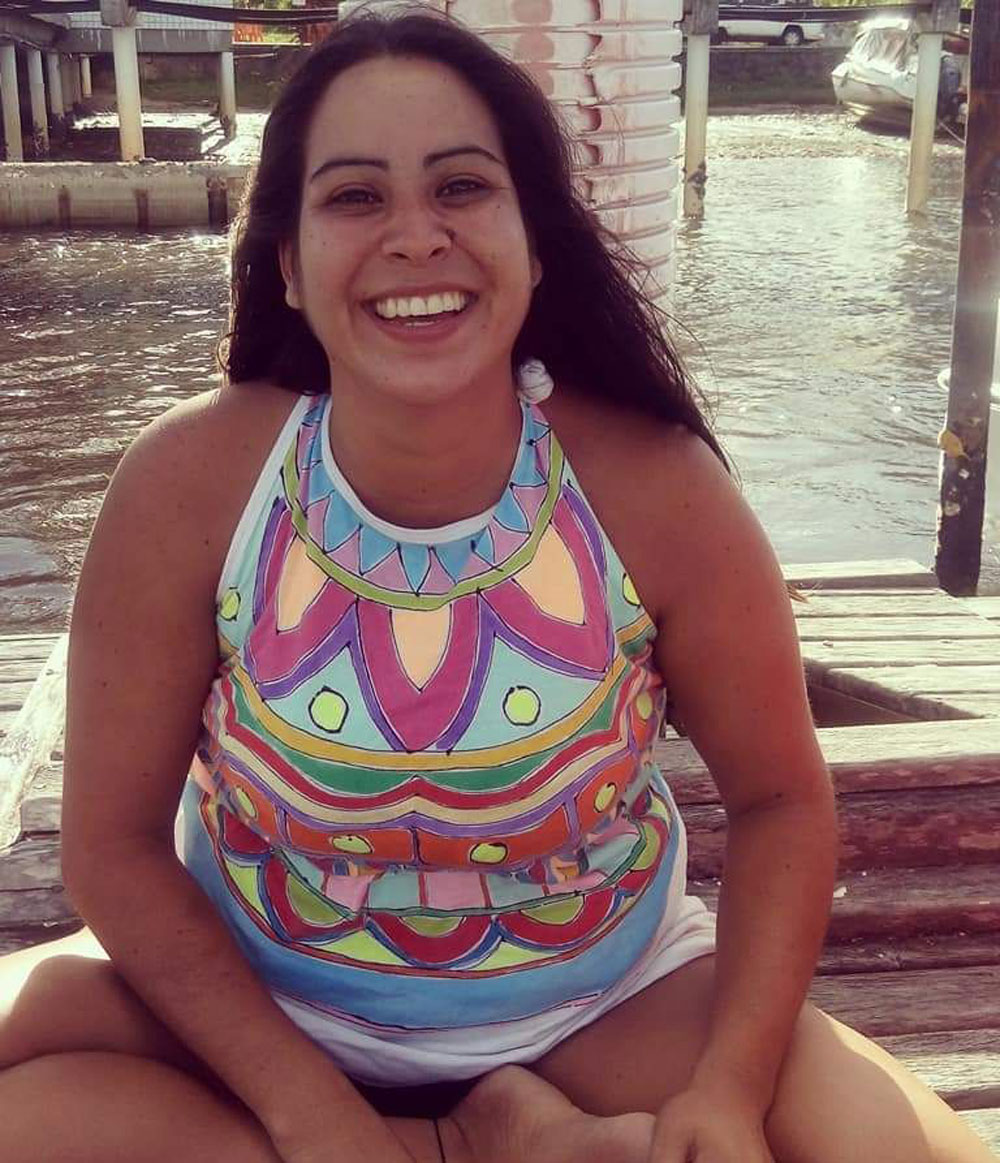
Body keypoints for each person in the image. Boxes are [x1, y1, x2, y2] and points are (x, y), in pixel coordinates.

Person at [0, 10, 991, 1163]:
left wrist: (728, 1086)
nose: (415, 236)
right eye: (355, 196)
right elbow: (112, 845)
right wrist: (315, 1117)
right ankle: (476, 1139)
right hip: (250, 1014)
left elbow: (779, 799)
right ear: (288, 262)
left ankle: (501, 1119)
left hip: (597, 1006)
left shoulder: (658, 491)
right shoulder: (189, 482)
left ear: (534, 241)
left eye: (462, 187)